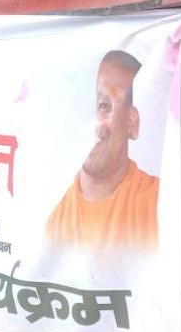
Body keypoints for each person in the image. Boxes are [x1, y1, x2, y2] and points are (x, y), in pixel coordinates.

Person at [46, 50, 159, 252]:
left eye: (104, 106)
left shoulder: (158, 204)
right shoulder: (54, 213)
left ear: (131, 122)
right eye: (82, 109)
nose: (92, 124)